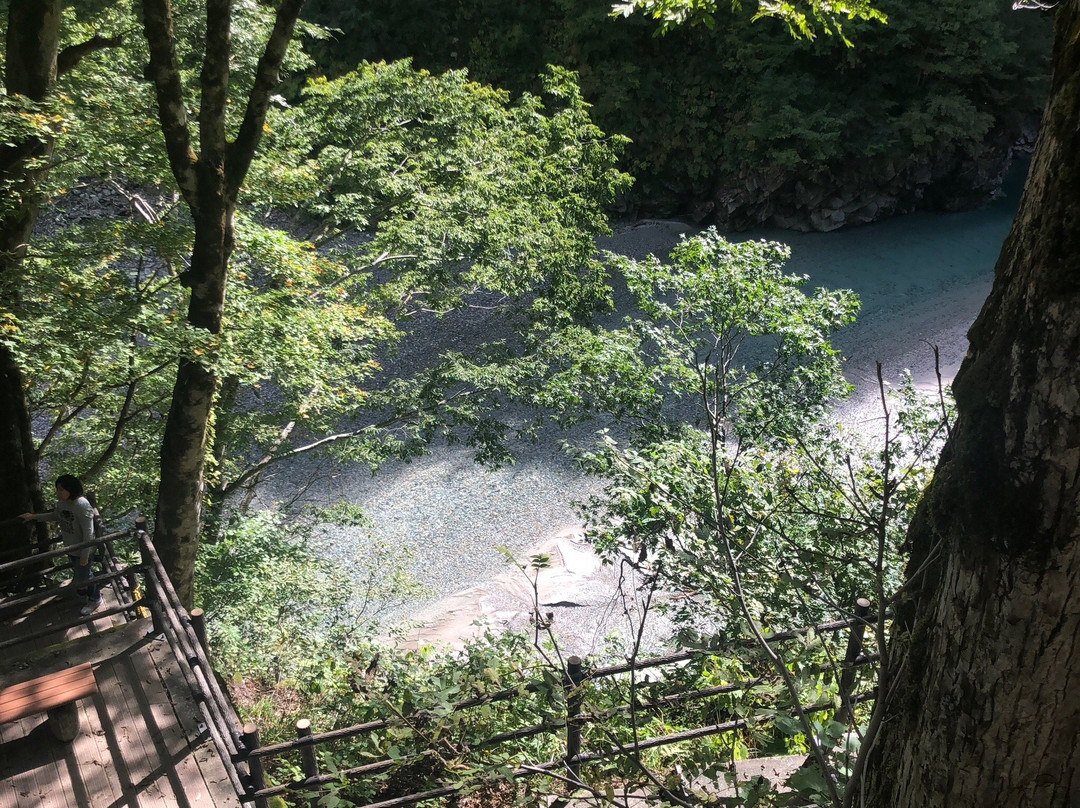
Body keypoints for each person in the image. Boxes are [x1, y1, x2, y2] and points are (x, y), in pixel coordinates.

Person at [21, 474, 103, 615]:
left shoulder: (82, 506)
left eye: (61, 490)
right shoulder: (62, 504)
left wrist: (84, 555)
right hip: (71, 547)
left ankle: (95, 599)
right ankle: (82, 591)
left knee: (86, 575)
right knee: (80, 573)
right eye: (57, 489)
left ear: (71, 490)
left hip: (84, 549)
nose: (58, 493)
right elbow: (54, 516)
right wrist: (34, 517)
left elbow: (88, 533)